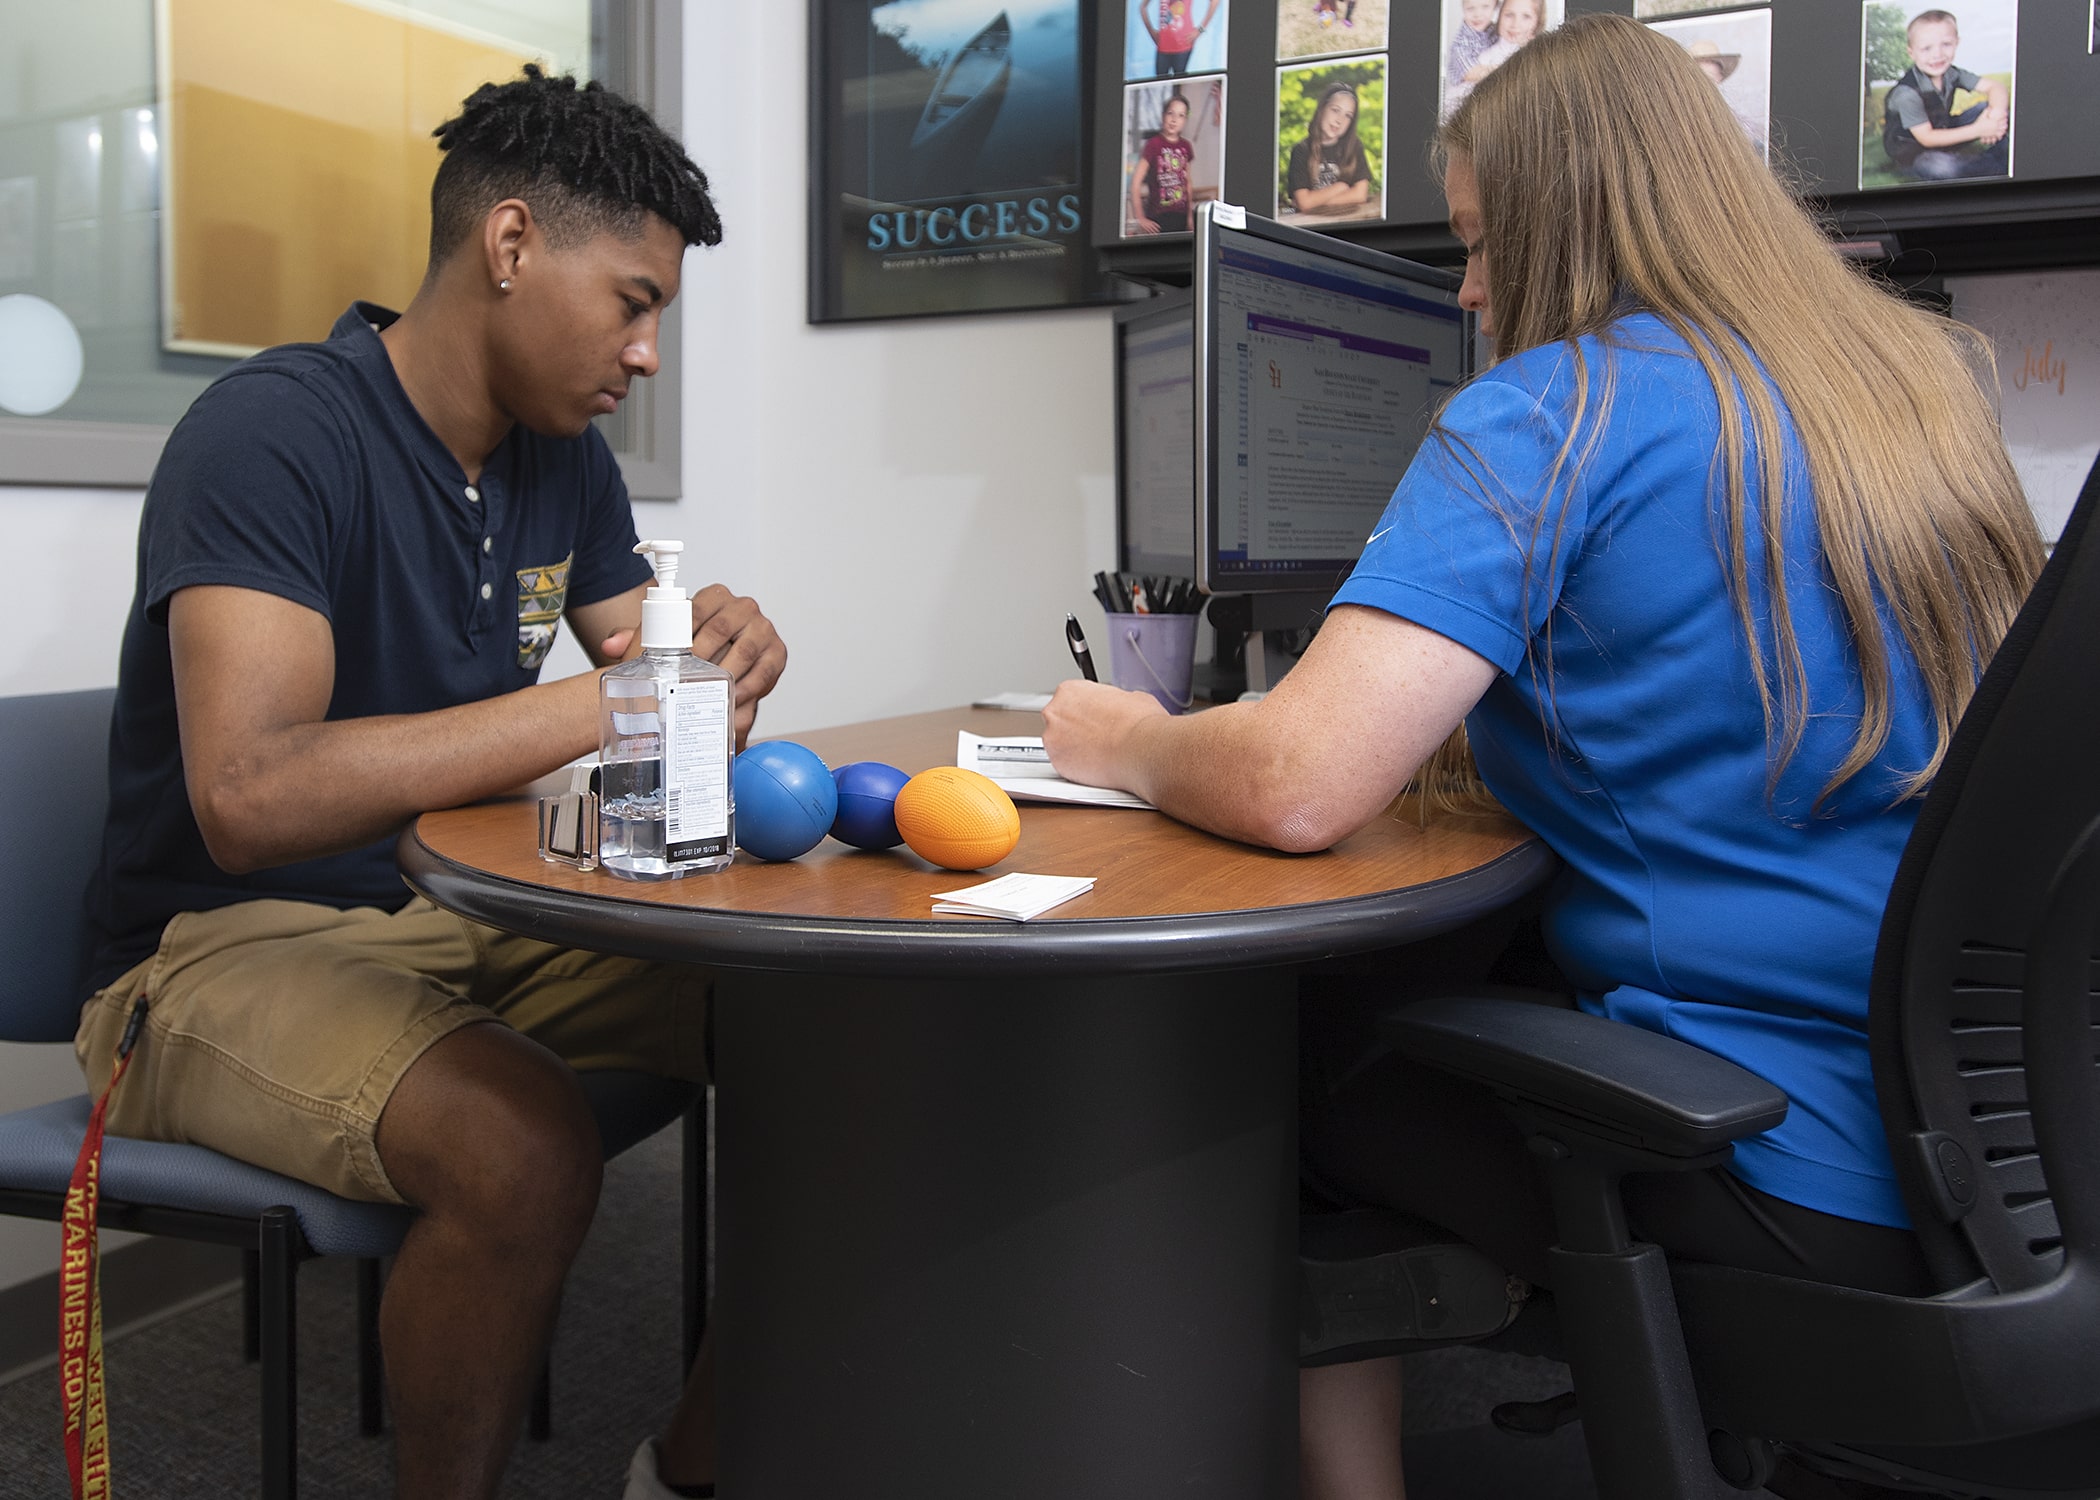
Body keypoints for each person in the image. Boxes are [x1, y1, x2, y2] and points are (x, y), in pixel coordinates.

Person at [1043, 15, 2041, 1498]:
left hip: (1774, 1157)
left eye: (1480, 243)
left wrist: (1129, 738)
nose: (1469, 290)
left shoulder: (1554, 411)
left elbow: (1297, 785)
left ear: (1566, 224)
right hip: (2009, 1155)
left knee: (1274, 1053)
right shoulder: (1912, 398)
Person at [74, 67, 783, 1500]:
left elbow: (638, 700)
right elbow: (250, 797)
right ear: (510, 247)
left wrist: (714, 667)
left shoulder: (561, 462)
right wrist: (613, 696)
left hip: (446, 916)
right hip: (213, 950)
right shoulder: (274, 434)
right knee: (521, 1149)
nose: (645, 353)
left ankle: (689, 1471)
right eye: (634, 302)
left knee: (843, 1039)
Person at [1880, 8, 2010, 182]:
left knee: (1992, 108)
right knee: (1942, 168)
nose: (1937, 54)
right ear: (1911, 52)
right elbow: (1927, 138)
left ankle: (2001, 156)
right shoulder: (1906, 94)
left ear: (1957, 42)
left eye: (1946, 44)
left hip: (1944, 129)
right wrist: (1979, 130)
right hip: (1915, 152)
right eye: (1926, 48)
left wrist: (1995, 116)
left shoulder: (1951, 73)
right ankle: (1996, 165)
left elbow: (1996, 87)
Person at [1285, 82, 1374, 218]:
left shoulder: (1354, 146)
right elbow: (1304, 203)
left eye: (1348, 116)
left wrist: (1315, 201)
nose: (1339, 120)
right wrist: (1341, 187)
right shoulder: (1301, 150)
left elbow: (1360, 195)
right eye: (1335, 110)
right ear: (1322, 109)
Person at [1443, 0, 1543, 116]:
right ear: (1499, 15)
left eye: (1526, 17)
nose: (1515, 24)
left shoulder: (1536, 56)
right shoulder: (1484, 51)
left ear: (1537, 22)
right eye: (1509, 15)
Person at [1129, 92, 1197, 235]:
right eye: (1170, 113)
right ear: (1163, 116)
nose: (1174, 120)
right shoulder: (1153, 144)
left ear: (1185, 120)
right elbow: (1135, 183)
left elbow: (1187, 182)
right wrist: (1140, 217)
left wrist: (1190, 216)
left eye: (1180, 115)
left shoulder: (1186, 146)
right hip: (1158, 218)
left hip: (1182, 217)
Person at [1138, 0, 1221, 77]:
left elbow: (1215, 1)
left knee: (1178, 87)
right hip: (1163, 46)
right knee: (1159, 85)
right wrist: (1151, 31)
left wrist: (1200, 30)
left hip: (1183, 45)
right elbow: (1142, 7)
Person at [1444, 0, 1501, 96]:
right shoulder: (1461, 43)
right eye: (1470, 9)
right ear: (1463, 8)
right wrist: (1501, 69)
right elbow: (1470, 73)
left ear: (1495, 7)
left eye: (1485, 7)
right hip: (1464, 97)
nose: (1478, 14)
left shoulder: (1494, 31)